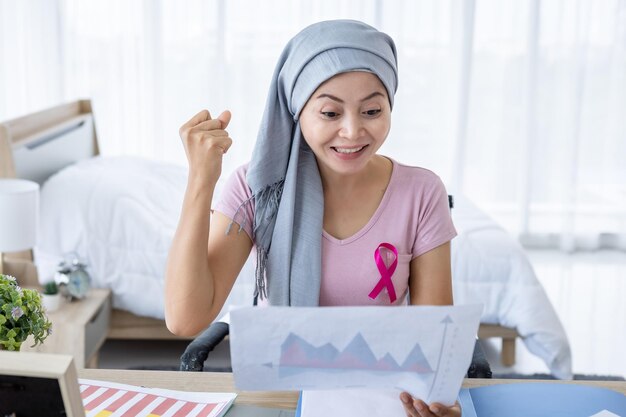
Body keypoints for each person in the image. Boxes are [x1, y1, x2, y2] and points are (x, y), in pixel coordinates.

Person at [165, 19, 460, 417]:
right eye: (330, 112)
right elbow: (185, 318)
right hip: (285, 394)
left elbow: (432, 347)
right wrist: (201, 179)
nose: (353, 131)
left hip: (380, 399)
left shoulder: (423, 192)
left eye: (372, 109)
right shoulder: (258, 188)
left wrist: (438, 403)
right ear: (297, 110)